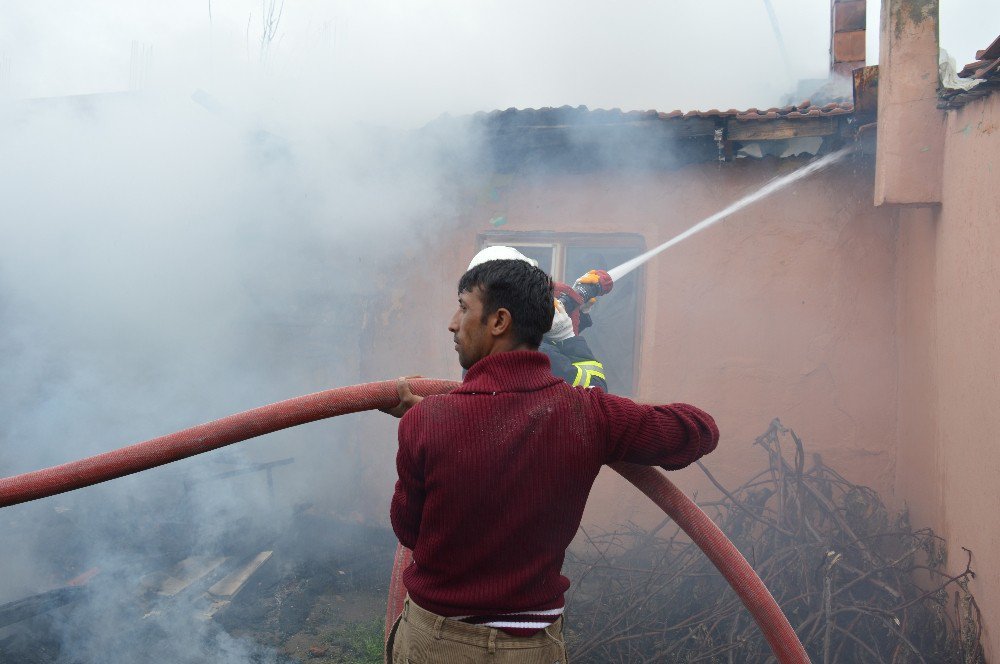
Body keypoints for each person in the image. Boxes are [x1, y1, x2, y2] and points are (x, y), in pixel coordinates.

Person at [383, 258, 719, 663]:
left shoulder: (426, 420)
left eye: (463, 307)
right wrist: (612, 418)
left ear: (499, 321)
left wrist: (423, 427)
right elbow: (698, 430)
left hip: (437, 642)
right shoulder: (591, 415)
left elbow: (408, 529)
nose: (453, 323)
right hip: (533, 649)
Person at [467, 246, 608, 391]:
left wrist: (577, 313)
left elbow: (546, 343)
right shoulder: (537, 356)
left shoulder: (480, 345)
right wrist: (567, 337)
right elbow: (597, 392)